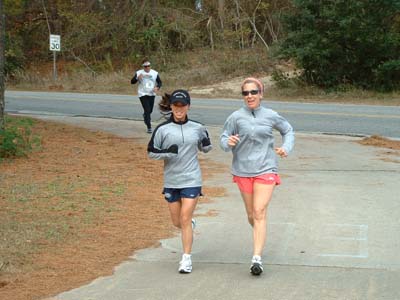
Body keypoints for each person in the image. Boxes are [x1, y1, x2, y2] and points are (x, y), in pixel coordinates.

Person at [220, 77, 294, 276]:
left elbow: (288, 130)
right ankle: (258, 231)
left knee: (259, 211)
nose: (250, 96)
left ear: (261, 94)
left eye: (253, 92)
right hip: (243, 170)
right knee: (252, 215)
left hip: (266, 168)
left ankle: (257, 259)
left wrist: (286, 147)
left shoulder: (270, 115)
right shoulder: (235, 117)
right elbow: (223, 139)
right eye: (245, 93)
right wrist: (229, 142)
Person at [147, 89, 212, 274]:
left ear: (188, 106)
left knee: (184, 217)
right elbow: (151, 152)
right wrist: (169, 151)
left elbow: (206, 147)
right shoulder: (162, 129)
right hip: (171, 180)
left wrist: (206, 142)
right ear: (171, 106)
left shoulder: (198, 127)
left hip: (192, 178)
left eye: (183, 105)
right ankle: (188, 227)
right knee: (178, 221)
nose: (179, 109)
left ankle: (186, 259)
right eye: (176, 105)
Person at [131, 59, 162, 133]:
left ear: (150, 66)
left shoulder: (155, 73)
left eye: (148, 66)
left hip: (152, 94)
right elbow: (132, 82)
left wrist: (157, 87)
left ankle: (145, 116)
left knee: (150, 110)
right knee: (147, 110)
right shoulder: (139, 73)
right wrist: (137, 78)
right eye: (145, 66)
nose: (147, 68)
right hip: (142, 94)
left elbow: (160, 82)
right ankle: (149, 127)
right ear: (143, 67)